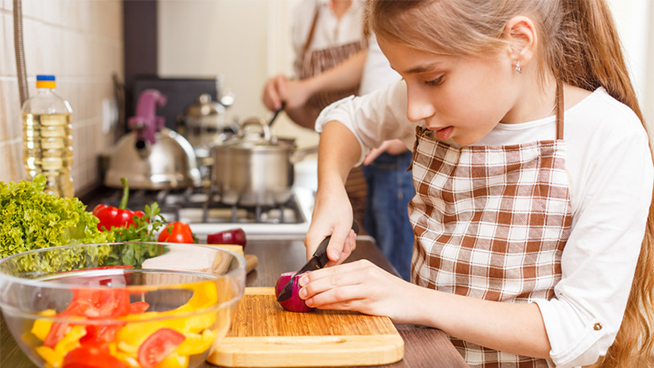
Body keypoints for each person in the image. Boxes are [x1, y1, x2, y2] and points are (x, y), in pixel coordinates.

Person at [298, 1, 654, 367]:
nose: (413, 110)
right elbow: (347, 120)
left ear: (517, 42)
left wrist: (411, 299)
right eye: (404, 80)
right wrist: (331, 192)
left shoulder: (608, 135)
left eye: (433, 79)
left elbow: (580, 329)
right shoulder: (432, 110)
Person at [262, 0, 415, 280]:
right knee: (357, 258)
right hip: (345, 156)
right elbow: (327, 117)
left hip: (386, 161)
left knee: (391, 266)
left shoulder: (380, 7)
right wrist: (286, 99)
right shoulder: (305, 15)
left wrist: (308, 86)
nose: (419, 108)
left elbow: (375, 63)